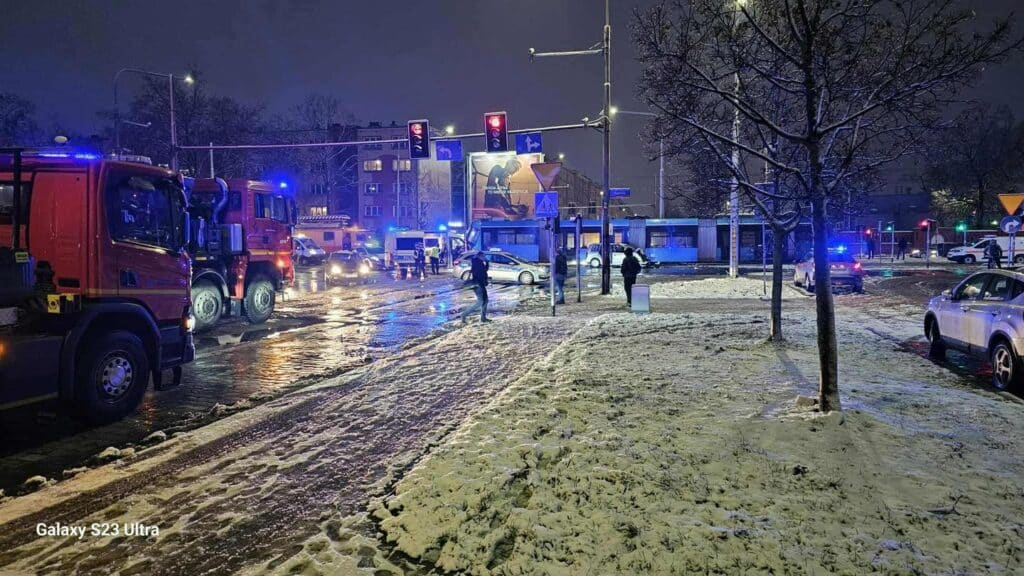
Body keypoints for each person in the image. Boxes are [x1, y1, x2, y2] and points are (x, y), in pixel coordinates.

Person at [461, 253, 491, 324]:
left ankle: (483, 318)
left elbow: (484, 270)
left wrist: (487, 262)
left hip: (481, 284)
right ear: (480, 256)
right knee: (480, 302)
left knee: (485, 301)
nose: (485, 257)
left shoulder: (479, 262)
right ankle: (464, 314)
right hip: (478, 285)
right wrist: (484, 281)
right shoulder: (477, 263)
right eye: (484, 256)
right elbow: (480, 274)